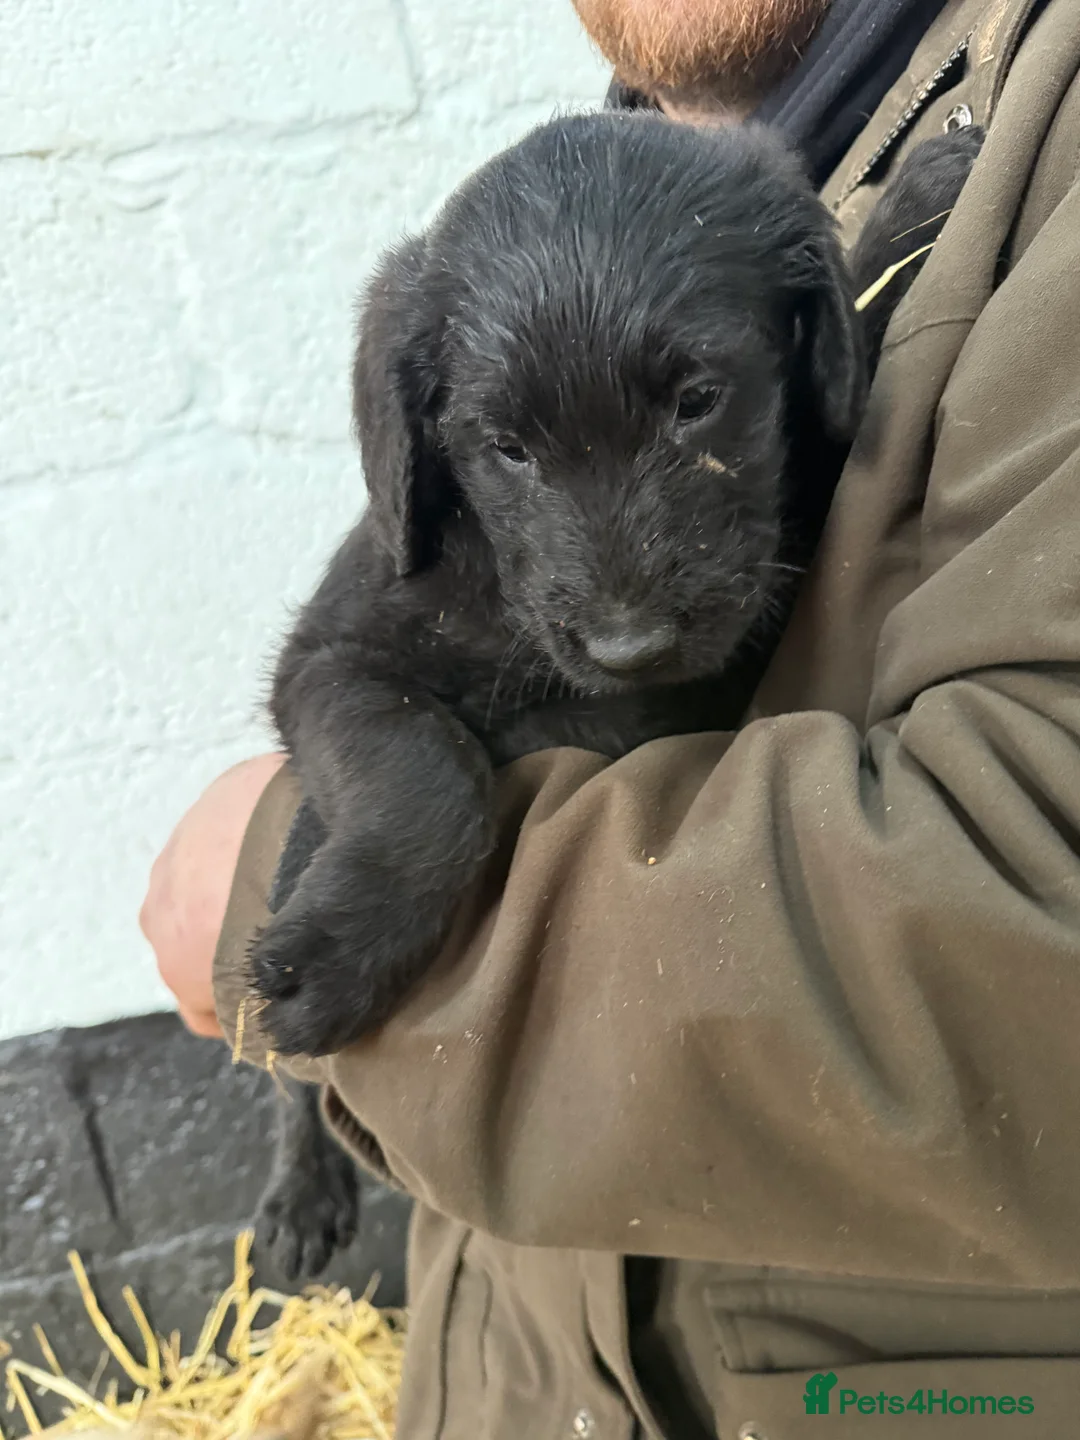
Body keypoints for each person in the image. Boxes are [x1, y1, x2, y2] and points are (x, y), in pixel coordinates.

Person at [140, 0, 1080, 1433]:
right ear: (426, 444)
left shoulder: (992, 163)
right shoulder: (636, 214)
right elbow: (336, 670)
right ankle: (298, 1162)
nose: (623, 605)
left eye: (696, 399)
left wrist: (880, 266)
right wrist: (387, 833)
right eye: (510, 449)